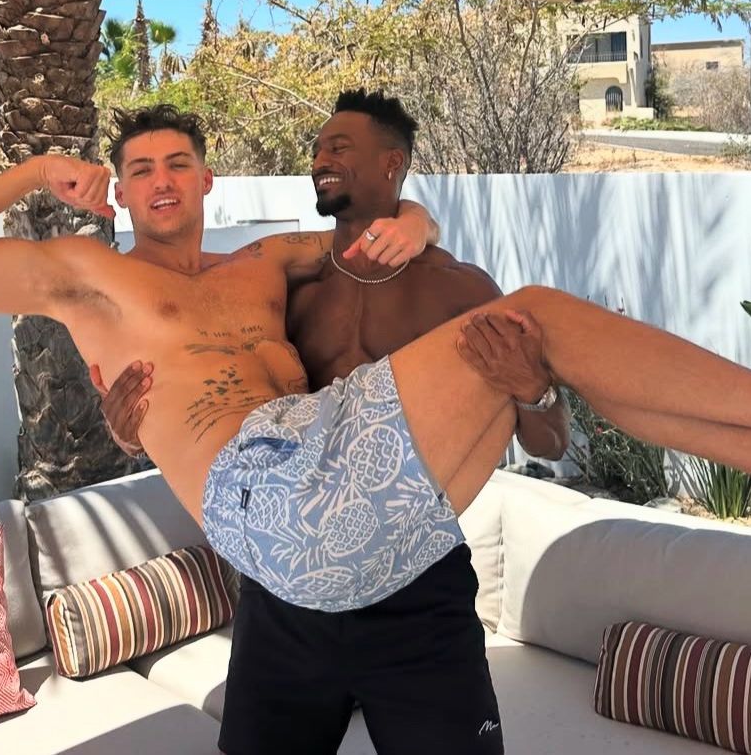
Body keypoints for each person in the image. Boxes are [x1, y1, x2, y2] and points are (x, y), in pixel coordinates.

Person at [0, 105, 751, 619]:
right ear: (120, 186)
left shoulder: (264, 262)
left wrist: (419, 217)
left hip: (349, 495)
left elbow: (379, 230)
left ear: (205, 177)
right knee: (540, 311)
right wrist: (32, 173)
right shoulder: (84, 273)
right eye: (138, 167)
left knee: (538, 342)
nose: (158, 180)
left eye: (177, 162)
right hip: (267, 501)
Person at [94, 90, 571, 755]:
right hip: (287, 595)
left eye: (340, 147)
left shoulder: (460, 291)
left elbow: (550, 440)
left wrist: (535, 391)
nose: (320, 160)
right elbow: (209, 408)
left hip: (414, 585)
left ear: (391, 164)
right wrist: (131, 428)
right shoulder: (284, 288)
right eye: (318, 149)